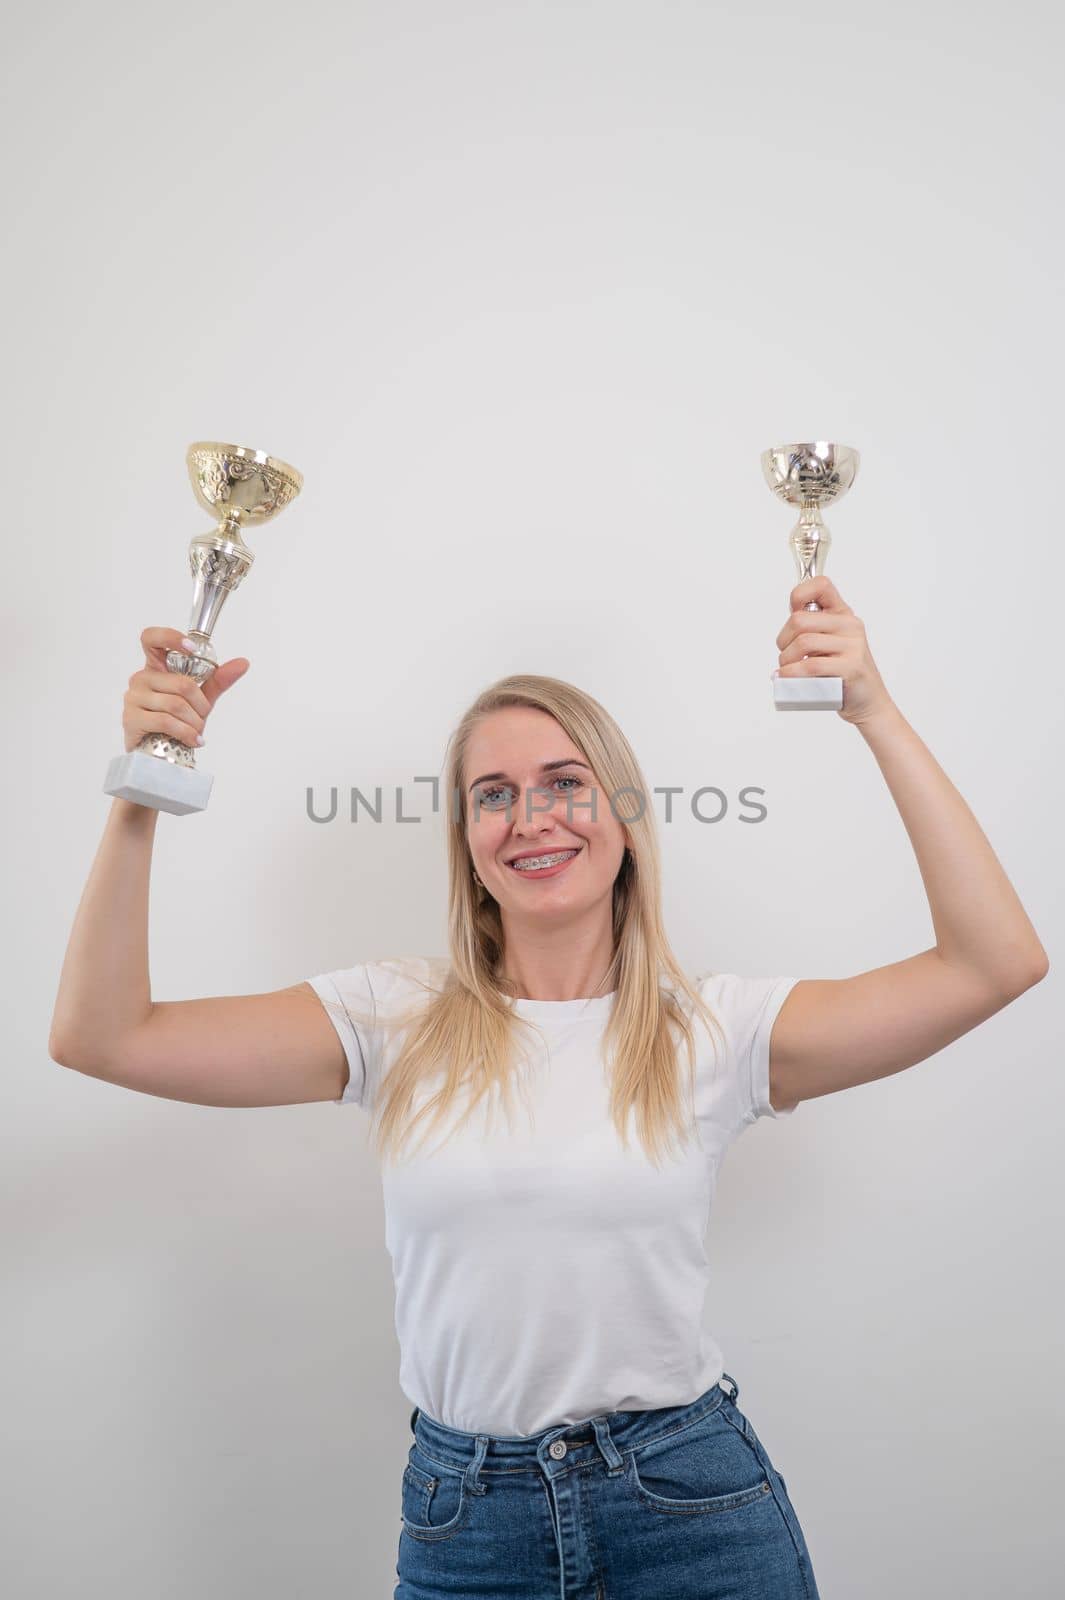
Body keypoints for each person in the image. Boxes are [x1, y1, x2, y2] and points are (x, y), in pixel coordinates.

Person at [49, 574, 1048, 1600]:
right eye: (494, 794)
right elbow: (101, 1034)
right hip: (467, 1528)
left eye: (566, 781)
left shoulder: (715, 1030)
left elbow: (995, 961)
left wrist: (871, 708)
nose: (532, 817)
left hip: (693, 1511)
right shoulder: (392, 1016)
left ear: (623, 817)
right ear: (469, 841)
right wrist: (146, 779)